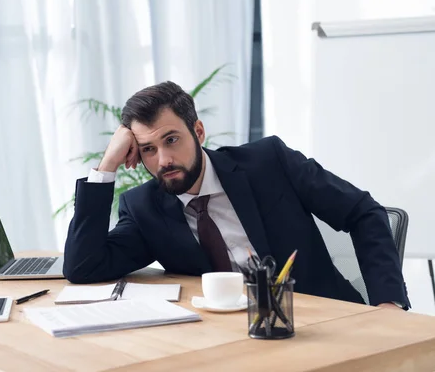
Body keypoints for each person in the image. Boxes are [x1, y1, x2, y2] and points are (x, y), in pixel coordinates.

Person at [62, 81, 410, 310]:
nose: (163, 160)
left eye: (171, 140)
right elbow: (82, 267)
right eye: (148, 149)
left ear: (198, 131)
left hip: (321, 322)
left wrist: (389, 304)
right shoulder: (144, 208)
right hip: (225, 343)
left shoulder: (268, 162)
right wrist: (106, 166)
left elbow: (363, 212)